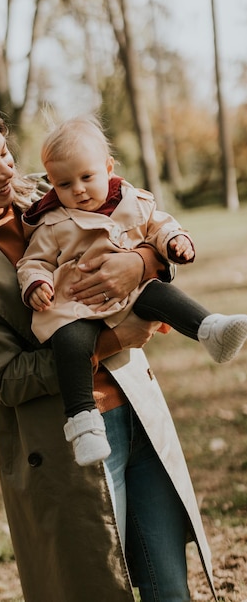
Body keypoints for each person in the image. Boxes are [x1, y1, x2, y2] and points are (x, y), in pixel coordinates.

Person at [0, 96, 217, 602]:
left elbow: (142, 218)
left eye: (5, 153)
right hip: (68, 439)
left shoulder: (52, 195)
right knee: (95, 586)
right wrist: (113, 339)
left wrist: (145, 260)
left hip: (138, 407)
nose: (7, 172)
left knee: (169, 589)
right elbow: (7, 379)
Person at [16, 115, 247, 467]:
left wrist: (176, 241)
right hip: (78, 304)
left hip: (131, 297)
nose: (77, 189)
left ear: (108, 167)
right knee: (71, 342)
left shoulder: (134, 201)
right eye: (64, 183)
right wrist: (37, 282)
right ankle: (82, 422)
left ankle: (209, 329)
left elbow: (161, 226)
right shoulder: (51, 223)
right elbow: (33, 261)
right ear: (52, 184)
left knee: (158, 293)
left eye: (87, 177)